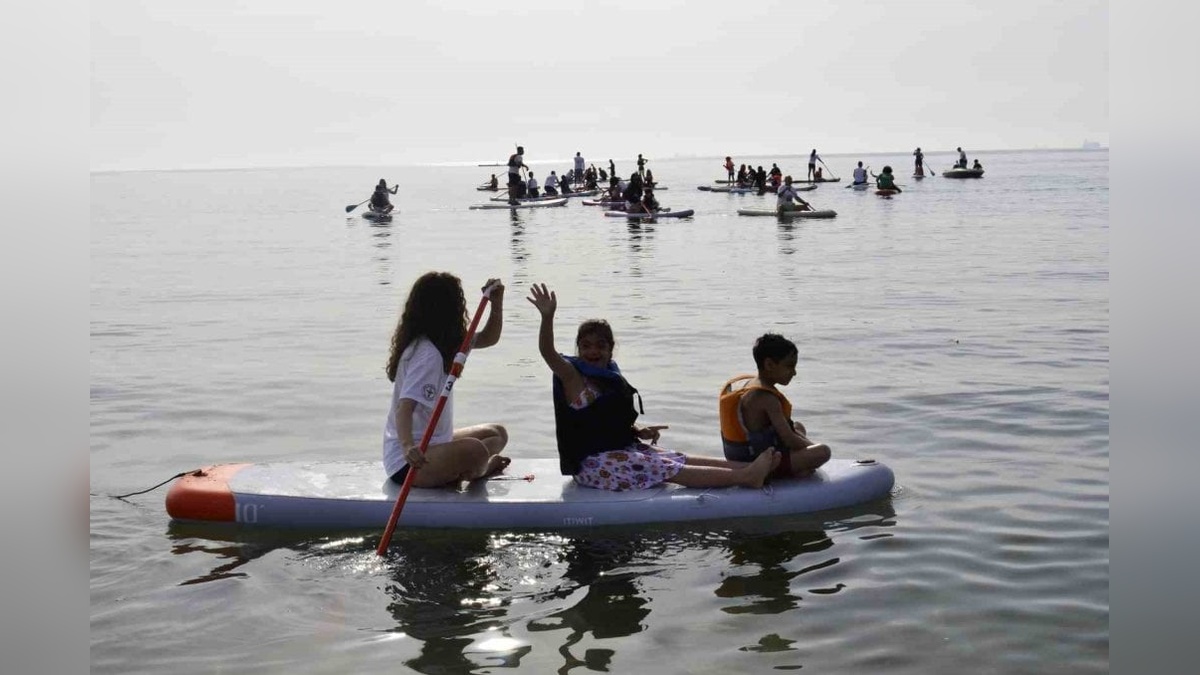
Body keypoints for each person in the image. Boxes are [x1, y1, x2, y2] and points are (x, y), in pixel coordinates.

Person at [527, 283, 779, 491]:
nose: (593, 351)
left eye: (600, 345)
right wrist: (547, 317)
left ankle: (752, 465)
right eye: (586, 345)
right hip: (592, 465)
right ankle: (746, 477)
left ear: (610, 348)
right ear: (579, 349)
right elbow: (547, 352)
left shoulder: (609, 374)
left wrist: (636, 430)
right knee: (666, 467)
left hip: (618, 451)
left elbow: (602, 421)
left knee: (673, 456)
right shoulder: (573, 377)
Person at [383, 273, 510, 488]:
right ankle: (483, 468)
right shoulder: (428, 354)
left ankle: (459, 468)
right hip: (409, 463)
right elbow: (404, 408)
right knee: (476, 450)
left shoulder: (449, 342)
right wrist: (407, 447)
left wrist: (496, 305)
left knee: (497, 433)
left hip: (436, 442)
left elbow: (489, 338)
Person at [719, 333, 831, 478]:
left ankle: (796, 466)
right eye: (789, 366)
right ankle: (792, 470)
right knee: (823, 451)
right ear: (769, 365)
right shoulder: (766, 398)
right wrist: (811, 448)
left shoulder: (749, 384)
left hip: (739, 455)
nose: (794, 372)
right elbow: (789, 439)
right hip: (757, 462)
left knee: (799, 426)